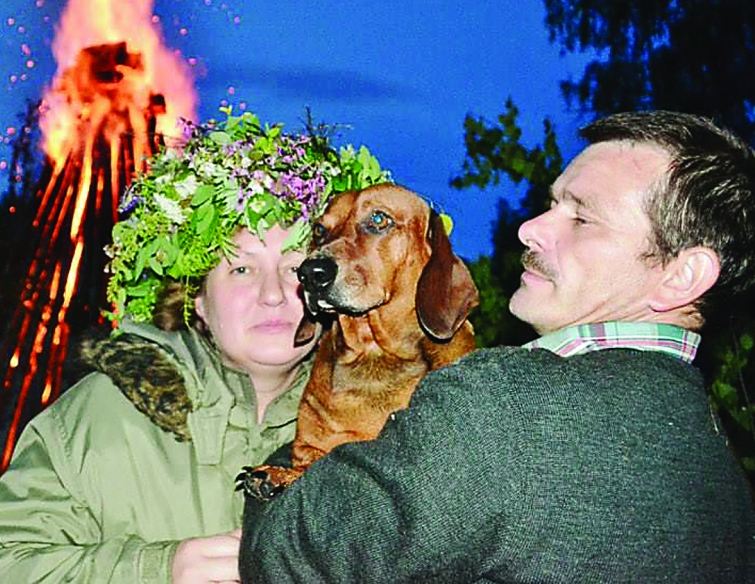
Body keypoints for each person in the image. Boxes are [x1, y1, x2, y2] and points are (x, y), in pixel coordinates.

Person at [240, 110, 755, 583]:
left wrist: (298, 460)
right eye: (551, 205)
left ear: (683, 275)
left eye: (582, 217)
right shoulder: (727, 481)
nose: (528, 229)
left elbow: (287, 557)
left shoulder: (496, 405)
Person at [0, 110, 389, 583]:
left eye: (293, 266)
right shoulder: (103, 416)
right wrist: (155, 569)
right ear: (197, 298)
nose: (274, 293)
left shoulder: (376, 428)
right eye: (241, 269)